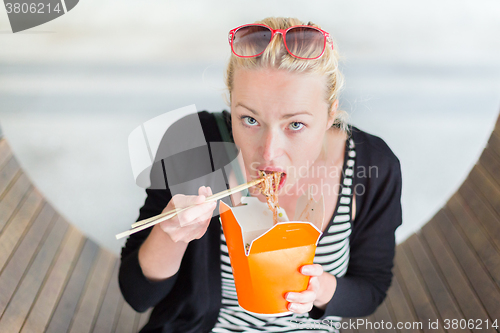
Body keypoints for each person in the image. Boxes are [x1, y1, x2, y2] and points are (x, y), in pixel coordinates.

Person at [119, 17, 403, 333]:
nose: (268, 153)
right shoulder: (194, 143)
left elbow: (371, 289)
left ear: (329, 115)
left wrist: (318, 289)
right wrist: (169, 234)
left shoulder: (373, 165)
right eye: (250, 120)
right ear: (231, 103)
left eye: (295, 124)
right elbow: (137, 295)